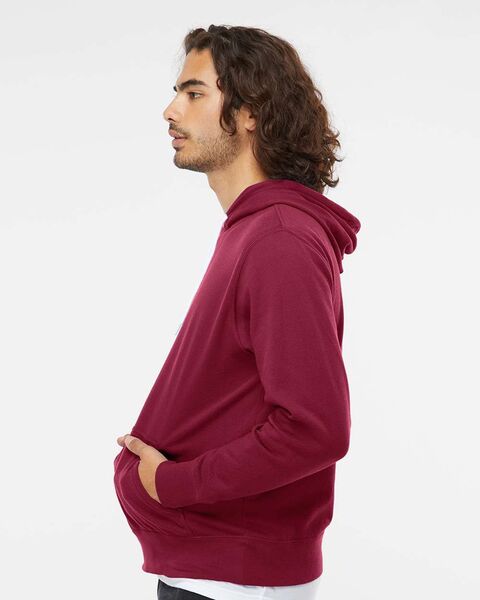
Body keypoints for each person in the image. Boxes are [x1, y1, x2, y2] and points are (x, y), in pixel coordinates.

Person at [113, 24, 362, 600]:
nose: (171, 110)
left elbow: (314, 429)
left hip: (234, 581)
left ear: (250, 112)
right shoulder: (255, 230)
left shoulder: (279, 239)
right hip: (215, 570)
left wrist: (172, 484)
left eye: (194, 93)